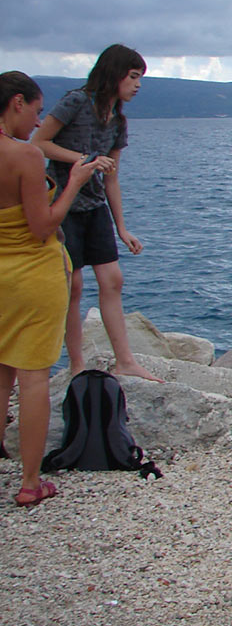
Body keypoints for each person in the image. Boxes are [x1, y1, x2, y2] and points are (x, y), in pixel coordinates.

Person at [0, 72, 102, 505]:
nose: (38, 122)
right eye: (37, 111)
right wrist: (74, 183)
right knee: (32, 377)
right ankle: (29, 482)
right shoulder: (23, 155)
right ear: (17, 102)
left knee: (0, 374)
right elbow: (42, 226)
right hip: (31, 274)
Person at [31, 44, 160, 382]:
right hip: (64, 205)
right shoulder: (76, 102)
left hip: (95, 205)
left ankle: (125, 360)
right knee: (73, 286)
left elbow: (112, 178)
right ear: (114, 74)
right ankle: (76, 364)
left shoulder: (118, 120)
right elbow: (39, 143)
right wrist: (83, 160)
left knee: (112, 280)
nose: (138, 85)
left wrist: (122, 228)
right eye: (133, 77)